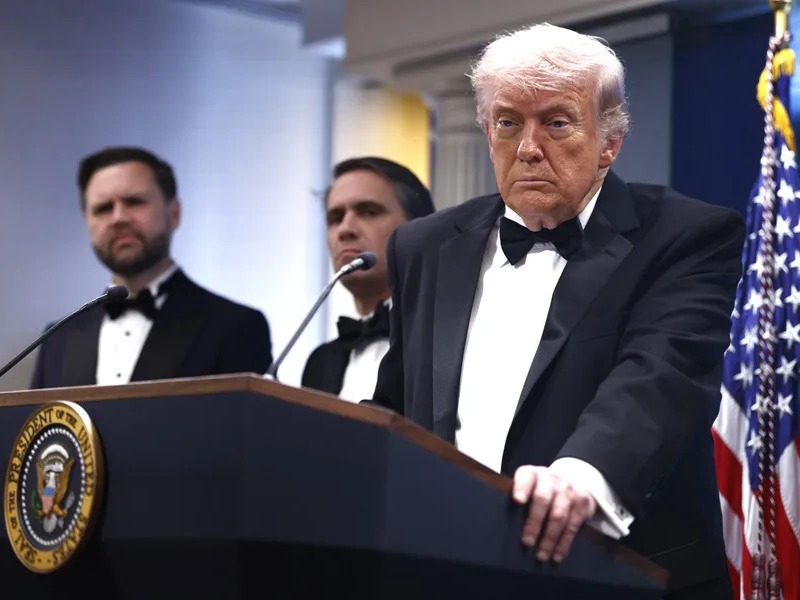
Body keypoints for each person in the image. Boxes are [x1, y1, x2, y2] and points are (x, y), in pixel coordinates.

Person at [369, 23, 744, 599]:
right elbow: (398, 406)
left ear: (609, 141)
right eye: (508, 122)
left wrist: (582, 479)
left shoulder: (684, 235)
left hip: (619, 572)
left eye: (557, 122)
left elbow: (659, 376)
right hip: (446, 570)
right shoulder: (424, 244)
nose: (527, 147)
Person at [30, 146, 272, 388]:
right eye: (103, 208)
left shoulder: (236, 327)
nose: (118, 218)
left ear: (174, 214)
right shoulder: (57, 338)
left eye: (134, 202)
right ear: (87, 224)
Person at [301, 157, 434, 401]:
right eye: (335, 217)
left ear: (420, 229)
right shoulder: (320, 363)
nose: (345, 229)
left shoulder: (448, 343)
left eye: (369, 212)